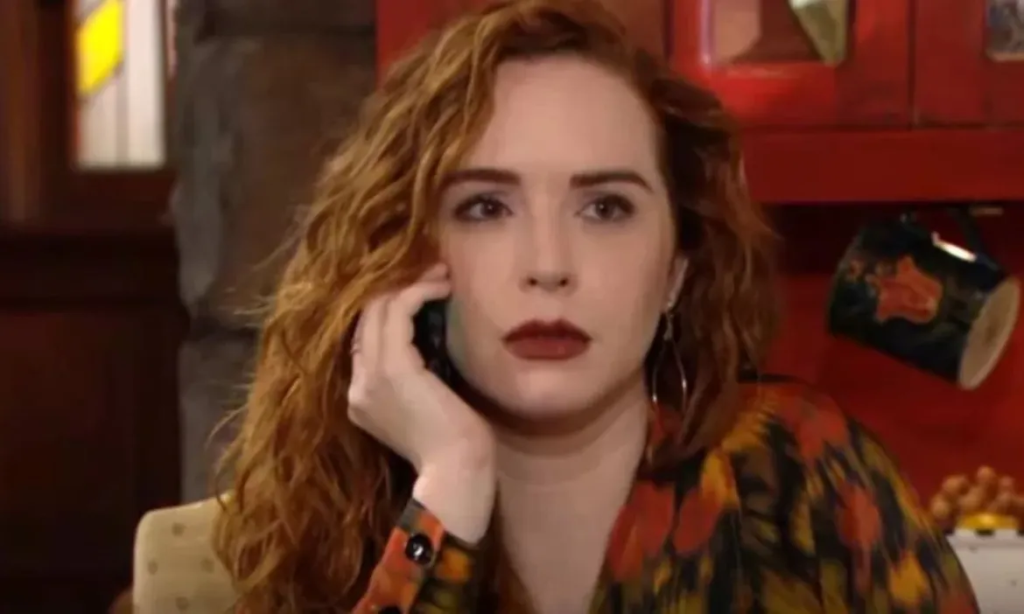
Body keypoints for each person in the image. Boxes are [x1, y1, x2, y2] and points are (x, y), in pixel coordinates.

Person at [135, 1, 988, 613]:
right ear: (405, 256)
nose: (548, 267)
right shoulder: (317, 526)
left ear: (675, 272)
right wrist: (448, 494)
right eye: (485, 207)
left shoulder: (801, 470)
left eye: (605, 207)